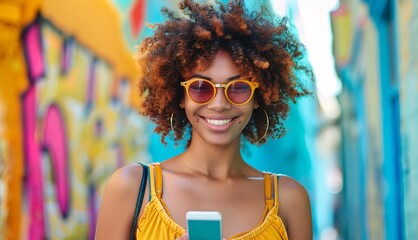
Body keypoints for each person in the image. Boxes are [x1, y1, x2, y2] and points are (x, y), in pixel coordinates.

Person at [95, 0, 313, 239]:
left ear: (257, 96)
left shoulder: (289, 199)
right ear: (181, 96)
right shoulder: (131, 188)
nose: (219, 104)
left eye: (238, 88)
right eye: (200, 87)